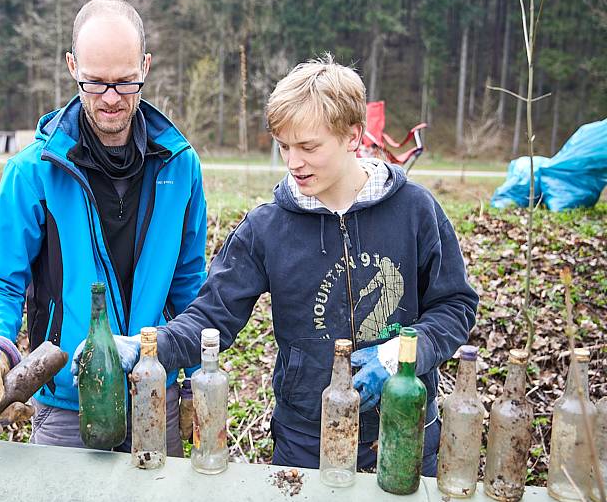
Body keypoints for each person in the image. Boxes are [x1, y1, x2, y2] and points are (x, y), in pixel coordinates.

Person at [83, 54, 478, 474]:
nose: (293, 162)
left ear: (352, 136)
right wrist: (145, 346)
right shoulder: (267, 227)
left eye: (308, 147)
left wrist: (400, 355)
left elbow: (455, 307)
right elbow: (209, 317)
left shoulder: (415, 210)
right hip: (306, 440)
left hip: (406, 431)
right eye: (284, 146)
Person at [0, 0, 207, 457]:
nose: (111, 97)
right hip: (66, 407)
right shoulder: (33, 172)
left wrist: (193, 381)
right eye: (95, 83)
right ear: (73, 67)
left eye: (124, 81)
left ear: (146, 67)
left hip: (157, 395)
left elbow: (190, 287)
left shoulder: (181, 167)